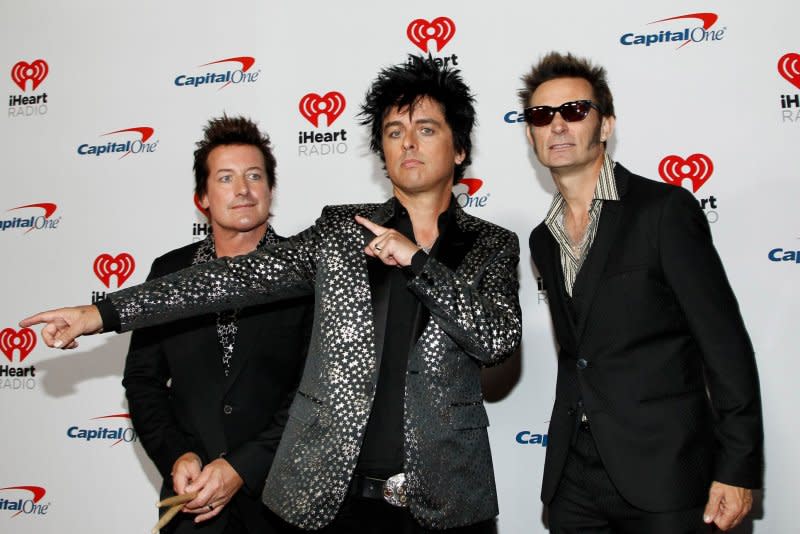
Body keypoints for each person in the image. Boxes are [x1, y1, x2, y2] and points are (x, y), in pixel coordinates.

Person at [21, 56, 522, 533]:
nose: (408, 142)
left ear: (459, 149)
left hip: (449, 505)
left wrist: (417, 260)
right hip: (336, 504)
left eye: (426, 129)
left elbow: (497, 339)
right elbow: (229, 278)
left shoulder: (492, 245)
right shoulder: (339, 233)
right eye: (394, 132)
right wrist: (102, 313)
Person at [519, 52, 763, 533]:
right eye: (543, 116)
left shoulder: (663, 212)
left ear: (605, 125)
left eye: (575, 111)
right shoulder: (542, 239)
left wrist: (737, 468)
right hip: (574, 479)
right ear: (530, 134)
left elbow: (725, 344)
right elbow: (580, 353)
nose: (558, 126)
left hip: (667, 472)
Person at [123, 116, 311, 533]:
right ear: (202, 198)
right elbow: (142, 380)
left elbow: (313, 391)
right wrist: (177, 456)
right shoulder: (169, 272)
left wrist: (243, 465)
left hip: (280, 505)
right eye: (225, 178)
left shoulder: (305, 272)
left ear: (269, 190)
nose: (242, 189)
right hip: (191, 504)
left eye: (254, 176)